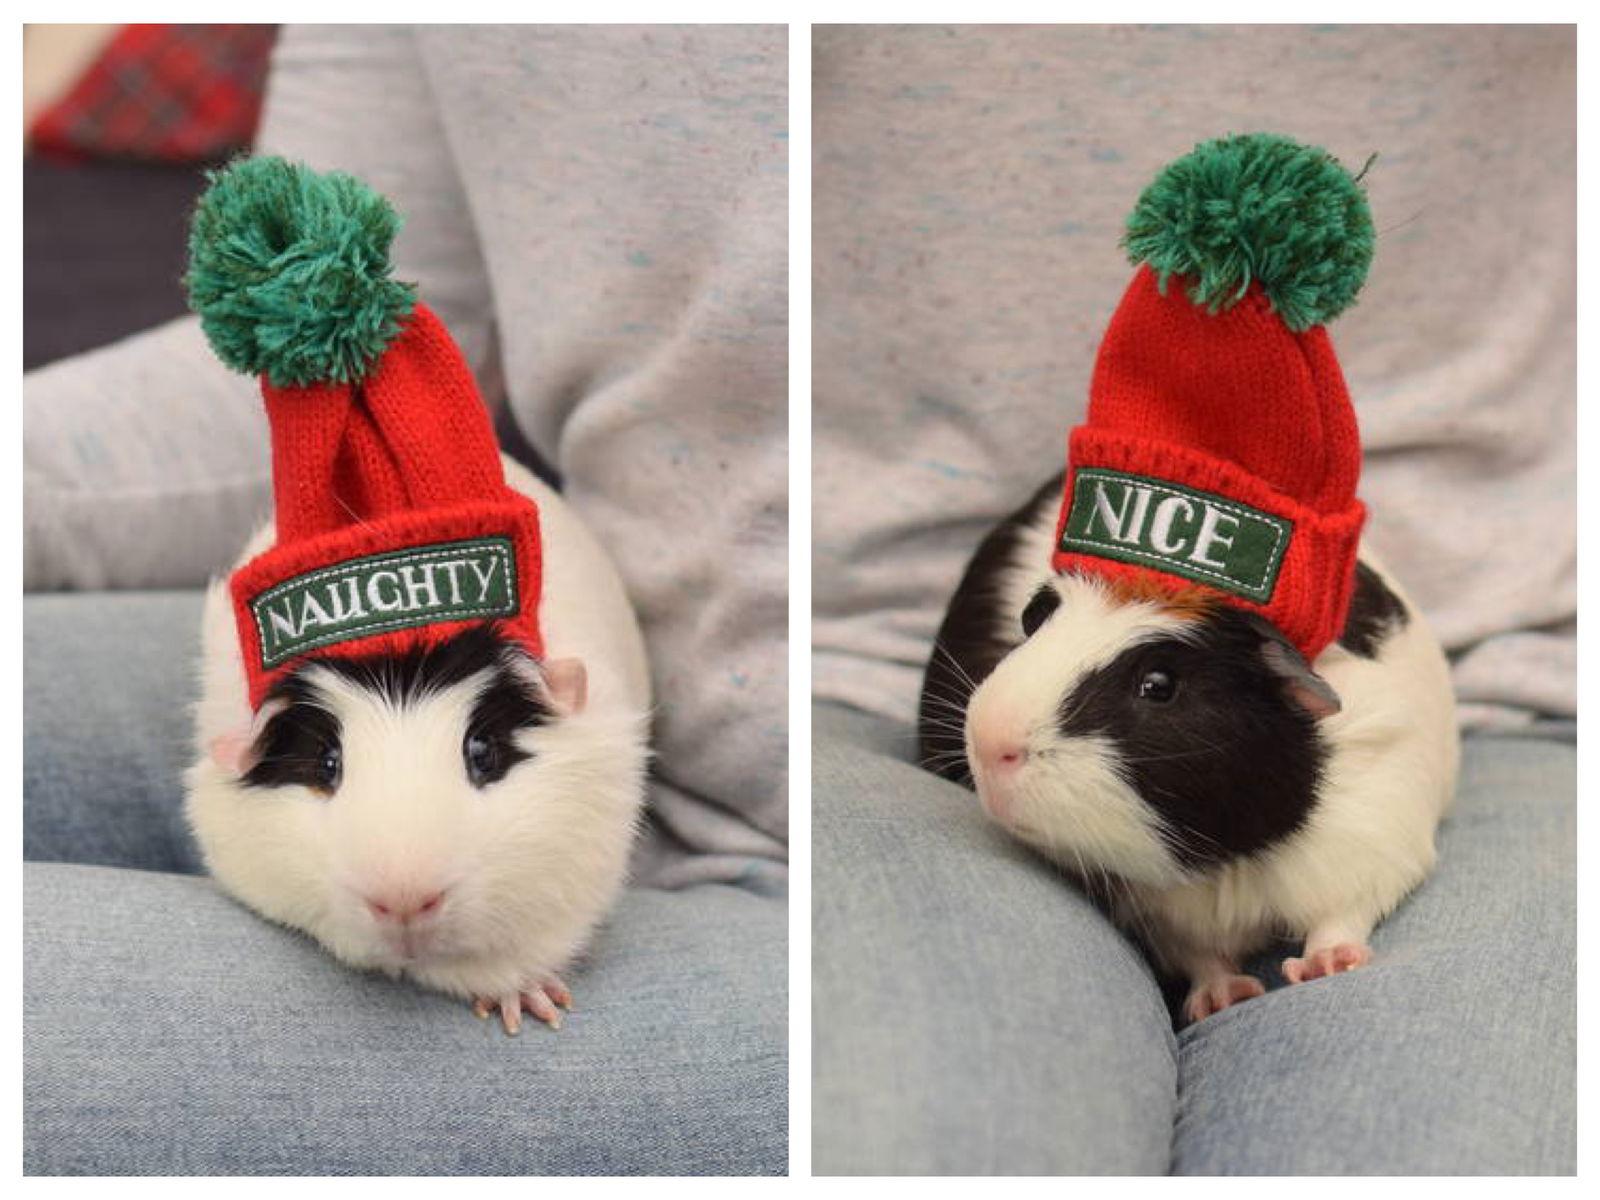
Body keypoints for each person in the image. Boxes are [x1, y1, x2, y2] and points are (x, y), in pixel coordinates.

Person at [811, 24, 1575, 1174]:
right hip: (872, 713)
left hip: (1539, 710)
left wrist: (1339, 922)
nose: (994, 716)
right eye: (1043, 626)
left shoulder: (1366, 742)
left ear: (1297, 696)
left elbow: (1385, 834)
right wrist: (1200, 956)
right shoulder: (1024, 684)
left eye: (1160, 684)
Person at [24, 24, 787, 1175]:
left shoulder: (583, 735)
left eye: (487, 756)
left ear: (559, 697)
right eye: (318, 767)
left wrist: (513, 949)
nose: (403, 891)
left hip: (777, 830)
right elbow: (346, 355)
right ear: (245, 744)